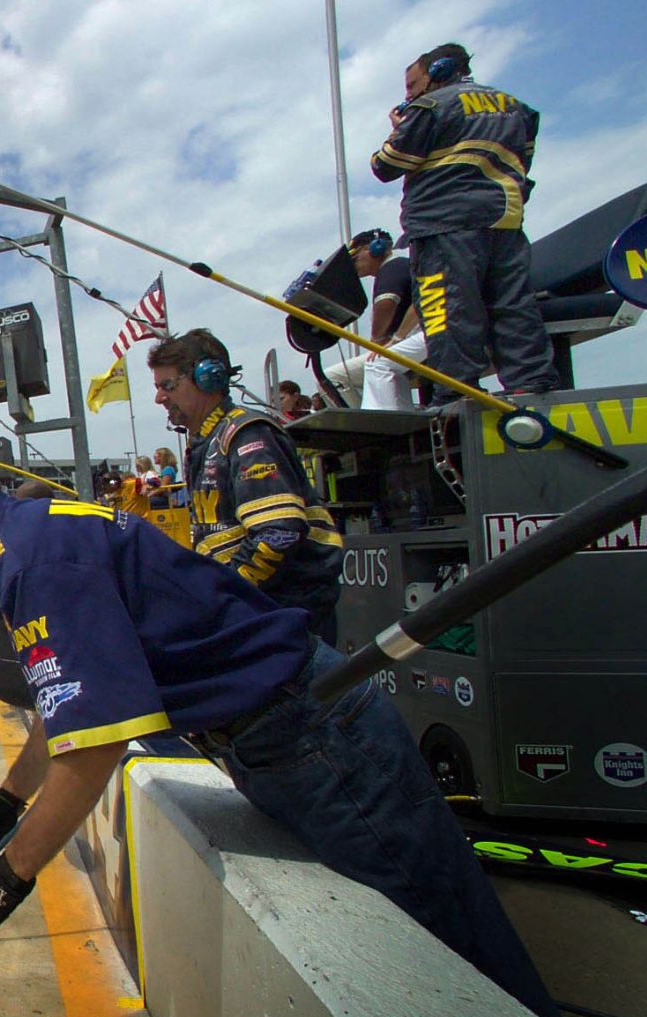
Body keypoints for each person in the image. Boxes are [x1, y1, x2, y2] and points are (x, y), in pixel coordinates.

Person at [0, 425, 564, 1017]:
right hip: (286, 735)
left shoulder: (32, 558)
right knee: (431, 954)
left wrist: (10, 871)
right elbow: (74, 701)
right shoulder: (29, 538)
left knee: (454, 958)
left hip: (314, 736)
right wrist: (7, 801)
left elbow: (97, 740)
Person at [371, 42, 558, 396]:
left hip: (443, 223)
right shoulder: (516, 108)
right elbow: (524, 159)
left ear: (437, 71)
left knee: (449, 312)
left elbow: (386, 165)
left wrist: (399, 127)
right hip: (504, 220)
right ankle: (532, 385)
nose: (408, 94)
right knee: (513, 304)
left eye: (412, 85)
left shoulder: (430, 108)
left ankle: (458, 394)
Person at [150, 329, 344, 644]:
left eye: (167, 385)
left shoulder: (246, 435)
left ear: (207, 379)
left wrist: (222, 598)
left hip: (286, 614)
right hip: (261, 611)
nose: (159, 398)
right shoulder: (206, 443)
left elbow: (277, 534)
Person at [349, 227, 426, 410]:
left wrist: (378, 340)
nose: (353, 264)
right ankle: (405, 419)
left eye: (355, 257)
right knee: (386, 365)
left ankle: (381, 425)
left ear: (375, 248)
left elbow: (386, 303)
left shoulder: (392, 267)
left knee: (376, 364)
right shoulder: (402, 267)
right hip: (431, 332)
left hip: (432, 332)